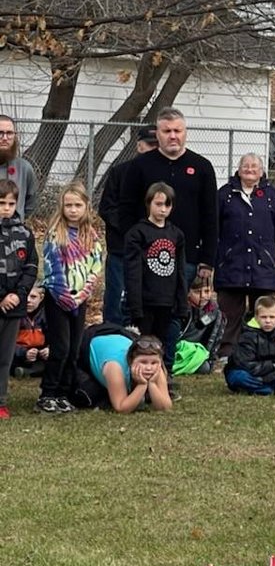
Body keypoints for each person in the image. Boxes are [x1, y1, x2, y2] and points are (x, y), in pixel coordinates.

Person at [117, 106, 218, 291]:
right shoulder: (140, 166)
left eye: (177, 131)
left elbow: (210, 215)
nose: (173, 136)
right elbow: (126, 209)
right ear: (158, 134)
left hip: (187, 257)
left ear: (185, 133)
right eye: (167, 131)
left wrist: (207, 259)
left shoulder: (202, 167)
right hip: (146, 255)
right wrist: (134, 246)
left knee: (179, 308)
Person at [214, 153, 275, 358]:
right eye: (245, 166)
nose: (249, 170)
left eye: (254, 166)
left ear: (261, 171)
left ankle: (263, 351)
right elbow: (212, 228)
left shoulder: (271, 195)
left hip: (263, 266)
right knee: (230, 313)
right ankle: (227, 353)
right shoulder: (225, 194)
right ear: (238, 169)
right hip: (231, 265)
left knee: (264, 312)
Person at [37, 182, 104, 415]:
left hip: (80, 299)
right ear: (62, 207)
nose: (73, 210)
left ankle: (64, 393)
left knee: (74, 349)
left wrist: (82, 294)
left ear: (86, 207)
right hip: (58, 299)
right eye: (68, 205)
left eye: (78, 205)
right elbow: (52, 268)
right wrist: (64, 296)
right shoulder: (56, 234)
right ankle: (48, 393)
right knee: (61, 348)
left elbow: (96, 267)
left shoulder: (91, 236)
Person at [124, 182, 188, 389]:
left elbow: (180, 271)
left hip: (167, 300)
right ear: (148, 204)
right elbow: (132, 272)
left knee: (164, 343)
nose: (163, 209)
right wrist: (135, 305)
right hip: (145, 300)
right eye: (158, 204)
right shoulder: (137, 233)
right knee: (143, 344)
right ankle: (138, 382)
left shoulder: (177, 234)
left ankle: (163, 380)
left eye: (167, 205)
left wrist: (182, 302)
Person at [98, 124, 158, 324]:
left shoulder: (166, 175)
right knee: (117, 298)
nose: (153, 149)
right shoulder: (120, 172)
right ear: (139, 146)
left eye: (157, 145)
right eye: (149, 145)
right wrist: (133, 230)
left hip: (156, 249)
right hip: (121, 248)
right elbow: (107, 208)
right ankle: (112, 332)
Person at [0, 179, 38, 419]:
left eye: (11, 203)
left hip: (14, 307)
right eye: (1, 203)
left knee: (5, 357)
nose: (6, 208)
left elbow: (31, 267)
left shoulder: (24, 233)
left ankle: (1, 401)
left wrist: (18, 294)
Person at [224, 295, 275, 395]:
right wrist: (270, 366)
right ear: (256, 317)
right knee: (238, 377)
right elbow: (246, 364)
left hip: (273, 372)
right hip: (251, 373)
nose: (268, 321)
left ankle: (261, 388)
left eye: (272, 317)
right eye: (263, 317)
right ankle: (269, 388)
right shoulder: (247, 336)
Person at [85, 331, 173, 413]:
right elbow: (121, 408)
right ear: (131, 361)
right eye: (143, 362)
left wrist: (152, 384)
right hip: (93, 341)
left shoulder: (157, 368)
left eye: (154, 362)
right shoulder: (114, 367)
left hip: (120, 339)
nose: (149, 368)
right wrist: (142, 385)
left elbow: (166, 407)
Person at [178, 276, 225, 375]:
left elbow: (214, 340)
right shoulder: (180, 309)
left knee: (205, 367)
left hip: (198, 354)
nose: (203, 296)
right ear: (188, 292)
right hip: (179, 351)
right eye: (197, 292)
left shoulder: (215, 313)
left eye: (207, 291)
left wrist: (209, 359)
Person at [0, 115, 38, 221]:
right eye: (0, 133)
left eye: (9, 133)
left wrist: (17, 220)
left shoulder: (24, 168)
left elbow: (31, 203)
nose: (5, 138)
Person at [12, 286, 48, 377]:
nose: (28, 300)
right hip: (19, 354)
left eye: (33, 297)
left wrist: (48, 349)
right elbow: (6, 342)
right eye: (25, 296)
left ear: (41, 298)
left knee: (52, 363)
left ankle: (25, 371)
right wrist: (24, 353)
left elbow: (54, 336)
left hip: (38, 354)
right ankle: (23, 370)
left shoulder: (46, 314)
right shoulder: (14, 314)